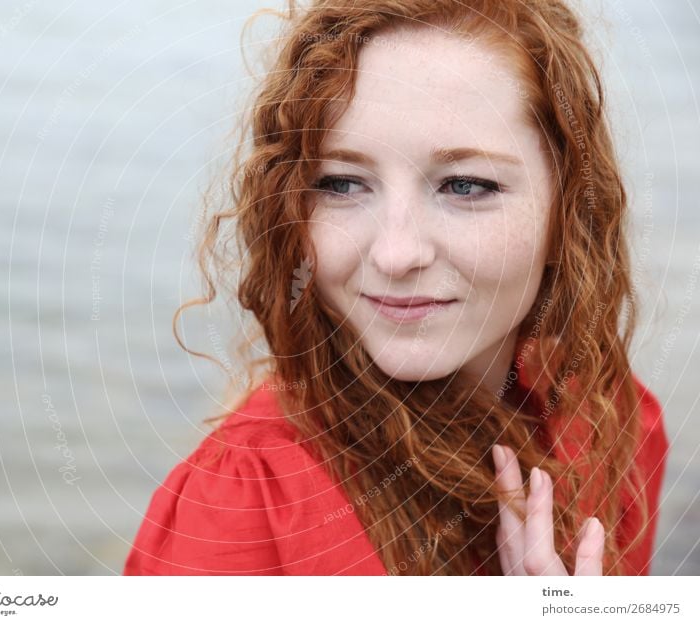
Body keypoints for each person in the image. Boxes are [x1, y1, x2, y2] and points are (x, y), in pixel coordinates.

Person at [124, 0, 669, 575]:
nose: (396, 252)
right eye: (341, 183)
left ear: (569, 212)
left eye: (464, 185)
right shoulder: (237, 512)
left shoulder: (614, 429)